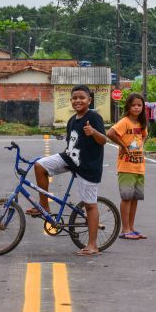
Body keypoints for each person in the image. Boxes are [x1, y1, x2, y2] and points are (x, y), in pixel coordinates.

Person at [29, 85, 106, 256]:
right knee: (40, 166)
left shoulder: (93, 117)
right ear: (70, 100)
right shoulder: (72, 120)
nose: (78, 100)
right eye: (74, 98)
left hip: (88, 166)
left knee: (90, 205)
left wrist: (93, 132)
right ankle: (44, 206)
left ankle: (92, 245)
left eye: (82, 98)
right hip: (70, 159)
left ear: (89, 100)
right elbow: (71, 145)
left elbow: (103, 140)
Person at [106, 93, 148, 240]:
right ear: (128, 107)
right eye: (133, 105)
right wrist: (124, 146)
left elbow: (144, 136)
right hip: (126, 167)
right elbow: (110, 133)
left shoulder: (141, 123)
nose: (136, 108)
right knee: (126, 198)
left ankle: (131, 227)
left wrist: (139, 146)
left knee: (135, 198)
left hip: (139, 166)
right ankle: (125, 229)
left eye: (139, 105)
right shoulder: (125, 121)